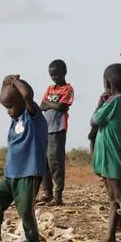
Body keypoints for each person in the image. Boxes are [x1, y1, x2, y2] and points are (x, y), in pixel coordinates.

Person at [0, 75, 48, 242]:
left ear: (22, 103)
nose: (8, 111)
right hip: (11, 174)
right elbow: (10, 96)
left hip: (29, 173)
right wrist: (5, 82)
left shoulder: (33, 116)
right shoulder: (15, 119)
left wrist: (16, 82)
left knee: (25, 211)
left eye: (10, 107)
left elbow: (27, 95)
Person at [90, 63, 121, 242]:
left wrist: (100, 102)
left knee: (119, 195)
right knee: (113, 197)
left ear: (107, 83)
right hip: (113, 153)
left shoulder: (114, 102)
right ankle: (111, 235)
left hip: (110, 154)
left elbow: (94, 120)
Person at [39, 59, 74, 205]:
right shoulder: (49, 88)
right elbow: (41, 105)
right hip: (45, 129)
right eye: (51, 75)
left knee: (56, 163)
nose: (54, 77)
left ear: (64, 73)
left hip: (58, 129)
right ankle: (47, 193)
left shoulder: (67, 89)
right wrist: (51, 104)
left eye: (56, 74)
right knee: (44, 162)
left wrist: (50, 104)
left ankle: (58, 196)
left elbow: (62, 107)